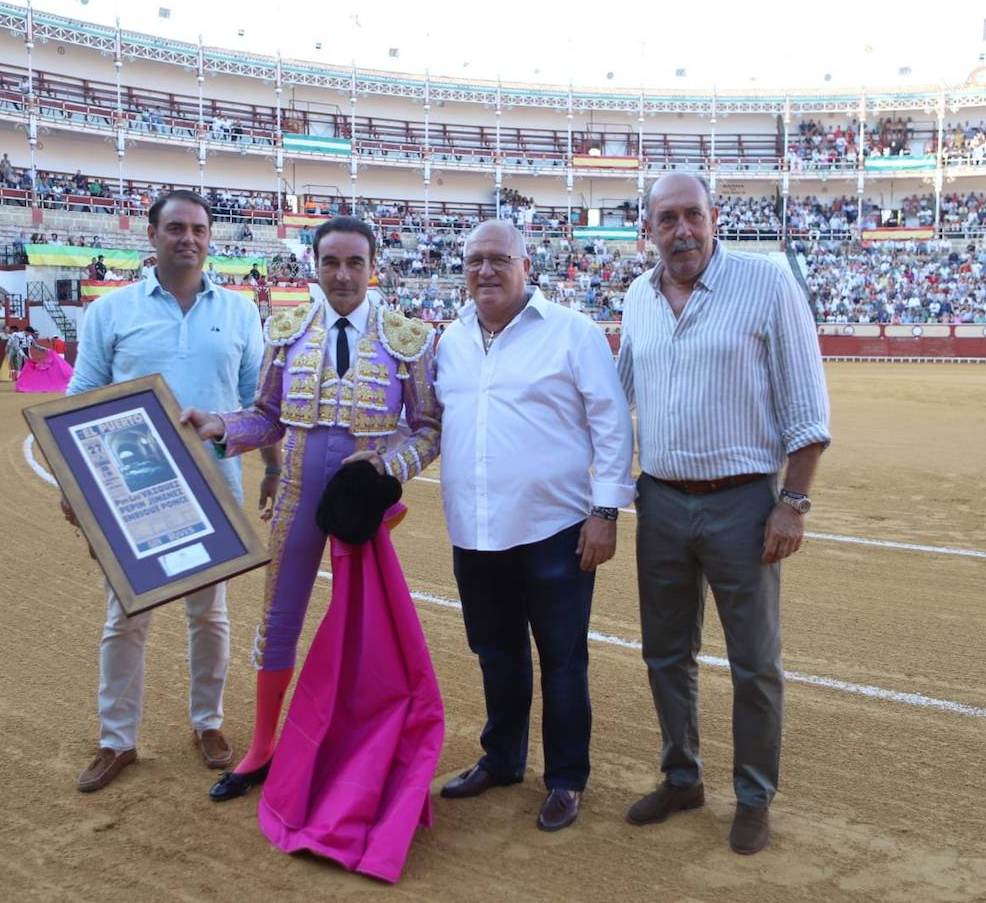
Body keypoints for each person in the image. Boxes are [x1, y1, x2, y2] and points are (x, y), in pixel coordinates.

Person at [179, 215, 441, 803]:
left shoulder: (410, 338)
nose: (343, 274)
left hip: (360, 503)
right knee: (279, 617)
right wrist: (222, 424)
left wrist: (388, 468)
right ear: (314, 266)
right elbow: (268, 415)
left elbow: (428, 428)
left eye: (355, 263)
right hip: (297, 490)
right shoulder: (287, 330)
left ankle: (355, 743)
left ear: (375, 268)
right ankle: (263, 746)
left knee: (364, 626)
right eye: (331, 262)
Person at [616, 173, 831, 855]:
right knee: (665, 651)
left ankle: (753, 793)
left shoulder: (766, 283)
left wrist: (792, 502)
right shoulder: (637, 297)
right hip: (661, 499)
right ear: (648, 229)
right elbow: (616, 401)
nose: (681, 230)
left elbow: (808, 409)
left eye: (692, 216)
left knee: (755, 660)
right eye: (666, 219)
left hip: (743, 501)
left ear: (715, 218)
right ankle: (682, 775)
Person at [64, 190, 276, 793]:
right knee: (125, 613)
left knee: (209, 613)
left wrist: (272, 466)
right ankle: (116, 738)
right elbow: (83, 395)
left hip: (214, 484)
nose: (189, 238)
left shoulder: (238, 311)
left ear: (211, 238)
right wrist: (75, 483)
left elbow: (256, 401)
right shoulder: (111, 311)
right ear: (152, 235)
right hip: (134, 489)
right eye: (176, 228)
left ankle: (207, 723)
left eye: (199, 229)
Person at [434, 220, 634, 832]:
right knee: (495, 653)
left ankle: (567, 778)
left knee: (563, 659)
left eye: (499, 259)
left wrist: (604, 512)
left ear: (527, 266)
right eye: (474, 261)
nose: (486, 271)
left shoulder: (572, 332)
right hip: (476, 529)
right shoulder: (450, 339)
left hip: (556, 527)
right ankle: (502, 759)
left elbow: (612, 424)